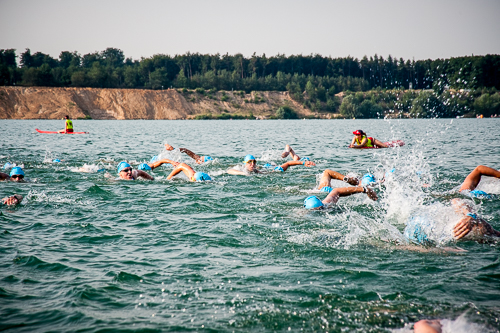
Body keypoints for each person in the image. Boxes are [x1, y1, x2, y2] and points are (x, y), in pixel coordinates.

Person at [304, 169, 378, 210]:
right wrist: (347, 179)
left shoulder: (321, 193)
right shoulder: (325, 203)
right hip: (326, 195)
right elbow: (327, 172)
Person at [227, 154, 316, 175]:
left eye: (254, 162)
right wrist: (243, 173)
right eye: (250, 162)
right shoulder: (241, 168)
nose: (252, 164)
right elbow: (229, 170)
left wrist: (302, 163)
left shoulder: (257, 171)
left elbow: (288, 163)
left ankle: (289, 150)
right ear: (245, 163)